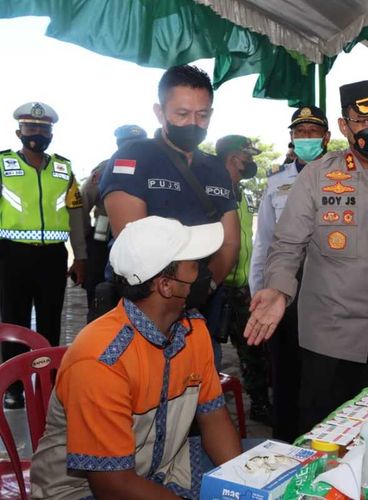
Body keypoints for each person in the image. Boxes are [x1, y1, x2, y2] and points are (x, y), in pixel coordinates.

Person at [245, 79, 368, 432]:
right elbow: (288, 243)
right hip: (329, 342)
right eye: (367, 118)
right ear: (344, 126)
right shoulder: (319, 177)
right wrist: (278, 289)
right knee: (324, 441)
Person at [30, 216, 241, 499]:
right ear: (166, 286)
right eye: (195, 265)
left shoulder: (193, 330)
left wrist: (242, 483)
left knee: (265, 464)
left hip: (163, 467)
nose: (204, 272)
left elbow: (213, 417)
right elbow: (112, 487)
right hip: (82, 491)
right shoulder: (101, 360)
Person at [99, 65, 239, 311]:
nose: (193, 124)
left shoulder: (216, 169)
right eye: (182, 114)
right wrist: (175, 295)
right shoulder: (133, 159)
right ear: (159, 112)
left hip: (200, 302)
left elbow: (230, 243)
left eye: (202, 115)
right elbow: (135, 247)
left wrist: (205, 289)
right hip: (143, 303)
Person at [249, 105, 330, 441]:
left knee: (322, 374)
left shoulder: (341, 178)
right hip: (284, 293)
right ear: (292, 138)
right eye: (300, 132)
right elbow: (264, 240)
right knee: (284, 374)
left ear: (326, 137)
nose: (306, 138)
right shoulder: (277, 183)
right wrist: (258, 288)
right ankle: (284, 443)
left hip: (328, 293)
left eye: (313, 132)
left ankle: (321, 441)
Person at [0, 102, 87, 409]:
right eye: (30, 128)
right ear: (18, 132)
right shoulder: (2, 165)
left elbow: (76, 215)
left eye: (42, 129)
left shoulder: (64, 169)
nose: (36, 133)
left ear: (51, 133)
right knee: (14, 320)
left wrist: (81, 257)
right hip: (11, 255)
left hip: (52, 257)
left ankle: (48, 381)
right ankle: (13, 386)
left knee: (50, 320)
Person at [213, 134, 271, 423]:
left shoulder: (243, 193)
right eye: (247, 156)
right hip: (216, 287)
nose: (251, 162)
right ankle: (205, 411)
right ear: (233, 156)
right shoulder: (210, 190)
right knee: (208, 353)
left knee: (253, 350)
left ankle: (260, 404)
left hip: (243, 286)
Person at [81, 124, 147, 323]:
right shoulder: (104, 169)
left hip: (140, 243)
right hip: (103, 240)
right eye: (127, 144)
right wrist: (84, 240)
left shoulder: (153, 168)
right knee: (100, 295)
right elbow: (84, 202)